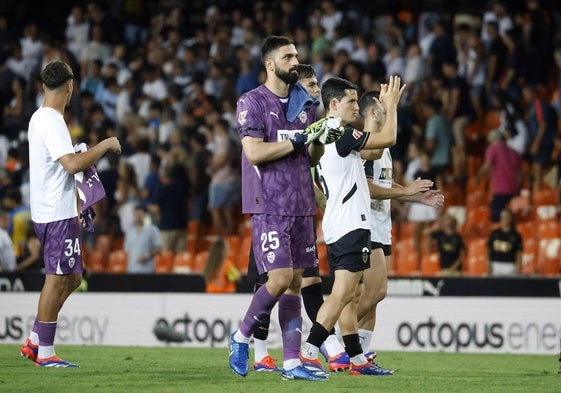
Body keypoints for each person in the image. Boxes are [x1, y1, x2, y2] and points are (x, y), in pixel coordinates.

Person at [228, 36, 331, 382]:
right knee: (280, 278)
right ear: (270, 64)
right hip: (269, 203)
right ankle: (240, 336)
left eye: (297, 55)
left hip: (301, 202)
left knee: (295, 284)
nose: (295, 61)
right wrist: (298, 139)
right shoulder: (252, 101)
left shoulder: (305, 104)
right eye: (288, 56)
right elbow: (255, 153)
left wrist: (319, 140)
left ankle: (291, 363)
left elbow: (309, 157)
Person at [300, 75, 405, 377]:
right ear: (333, 104)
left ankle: (356, 358)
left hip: (336, 222)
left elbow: (370, 152)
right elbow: (387, 141)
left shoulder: (323, 134)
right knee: (343, 294)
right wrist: (393, 106)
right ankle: (309, 352)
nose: (356, 107)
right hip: (350, 224)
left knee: (349, 295)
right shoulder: (340, 133)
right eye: (351, 101)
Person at [246, 63, 348, 374]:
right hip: (270, 208)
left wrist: (327, 204)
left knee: (306, 282)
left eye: (318, 85)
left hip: (299, 211)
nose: (317, 90)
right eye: (312, 85)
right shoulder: (273, 118)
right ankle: (259, 348)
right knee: (272, 283)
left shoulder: (312, 122)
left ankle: (312, 351)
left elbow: (308, 173)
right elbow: (257, 158)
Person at [20, 60, 121, 368]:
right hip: (55, 213)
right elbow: (70, 165)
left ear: (43, 86)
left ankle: (36, 339)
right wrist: (103, 145)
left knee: (74, 277)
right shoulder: (51, 120)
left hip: (51, 210)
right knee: (56, 278)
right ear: (69, 86)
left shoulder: (40, 118)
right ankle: (46, 353)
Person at [356, 90, 445, 366]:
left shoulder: (384, 149)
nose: (391, 109)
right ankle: (330, 338)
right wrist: (406, 191)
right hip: (366, 225)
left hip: (383, 227)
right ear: (373, 111)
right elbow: (367, 187)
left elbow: (384, 184)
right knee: (375, 292)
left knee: (372, 298)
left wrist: (415, 196)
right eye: (386, 105)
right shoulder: (368, 145)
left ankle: (359, 355)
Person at [475, 128, 522, 223]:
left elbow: (487, 165)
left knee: (496, 215)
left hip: (501, 189)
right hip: (514, 189)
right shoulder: (515, 152)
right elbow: (520, 174)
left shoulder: (493, 149)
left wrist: (478, 176)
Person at [124, 204, 162, 274]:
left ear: (145, 214)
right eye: (136, 213)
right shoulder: (129, 232)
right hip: (132, 270)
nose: (138, 215)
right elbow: (127, 252)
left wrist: (147, 256)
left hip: (147, 270)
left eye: (140, 213)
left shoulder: (152, 229)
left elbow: (159, 249)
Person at [487, 207, 523, 276]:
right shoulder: (494, 234)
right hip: (495, 265)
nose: (505, 219)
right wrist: (488, 264)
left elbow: (519, 253)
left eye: (507, 217)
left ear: (510, 218)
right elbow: (488, 249)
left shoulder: (516, 235)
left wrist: (518, 268)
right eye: (503, 217)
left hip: (510, 266)